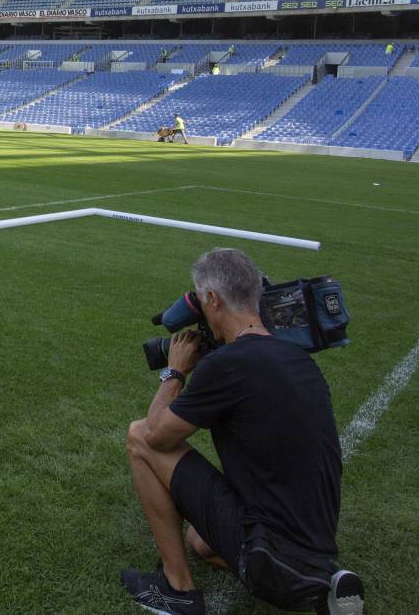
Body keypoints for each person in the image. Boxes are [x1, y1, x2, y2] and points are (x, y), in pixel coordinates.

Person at [121, 249, 363, 615]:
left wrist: (175, 371)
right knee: (198, 541)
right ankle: (315, 580)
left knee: (139, 436)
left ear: (213, 299)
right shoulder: (297, 358)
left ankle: (176, 590)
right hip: (314, 551)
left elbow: (157, 436)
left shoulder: (228, 365)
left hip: (267, 554)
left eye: (202, 301)